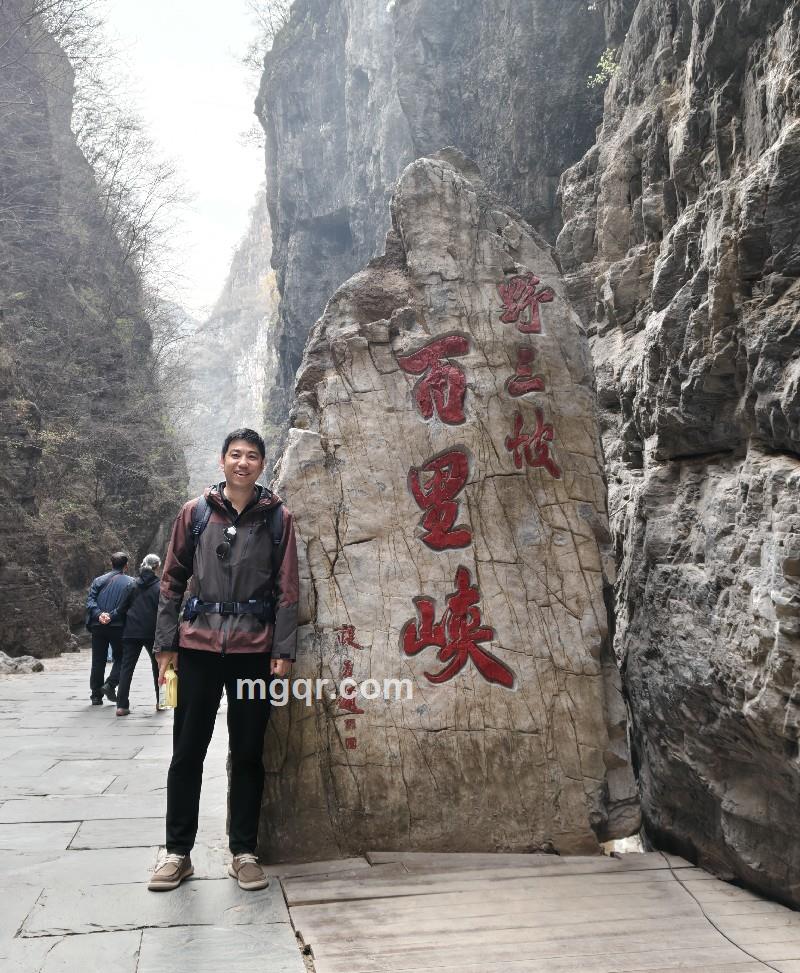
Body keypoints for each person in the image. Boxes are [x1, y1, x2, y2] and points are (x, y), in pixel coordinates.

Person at [147, 428, 298, 893]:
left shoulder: (278, 519)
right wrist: (165, 646)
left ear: (262, 464)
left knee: (249, 752)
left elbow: (288, 589)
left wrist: (283, 651)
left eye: (252, 456)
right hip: (197, 649)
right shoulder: (195, 513)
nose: (243, 462)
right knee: (187, 752)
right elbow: (171, 581)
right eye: (235, 454)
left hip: (254, 652)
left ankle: (244, 852)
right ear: (222, 461)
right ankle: (177, 852)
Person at [115, 554, 163, 717]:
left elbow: (121, 609)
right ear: (157, 567)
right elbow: (164, 611)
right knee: (158, 666)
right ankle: (161, 702)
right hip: (152, 632)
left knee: (127, 668)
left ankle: (121, 706)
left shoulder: (132, 585)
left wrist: (125, 625)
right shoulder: (160, 587)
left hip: (131, 631)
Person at [85, 551, 135, 705]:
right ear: (126, 566)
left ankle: (96, 696)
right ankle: (110, 684)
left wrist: (99, 614)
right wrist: (111, 616)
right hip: (118, 625)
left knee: (98, 660)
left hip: (98, 625)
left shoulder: (98, 580)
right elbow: (129, 606)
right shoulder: (131, 582)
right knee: (123, 657)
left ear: (111, 563)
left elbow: (90, 601)